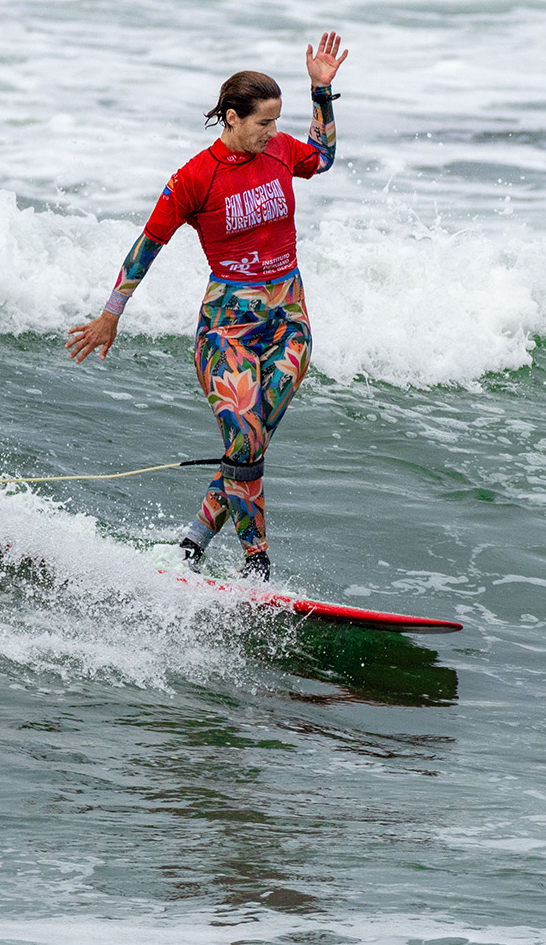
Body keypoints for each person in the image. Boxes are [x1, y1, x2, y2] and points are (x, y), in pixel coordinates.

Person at [67, 33, 349, 583]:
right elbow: (148, 244)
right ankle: (257, 566)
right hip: (228, 330)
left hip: (289, 324)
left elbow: (324, 156)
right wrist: (111, 314)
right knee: (244, 444)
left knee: (249, 446)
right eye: (264, 122)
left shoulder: (280, 151)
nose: (274, 132)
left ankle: (192, 545)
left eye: (277, 121)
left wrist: (322, 91)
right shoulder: (196, 177)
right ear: (231, 117)